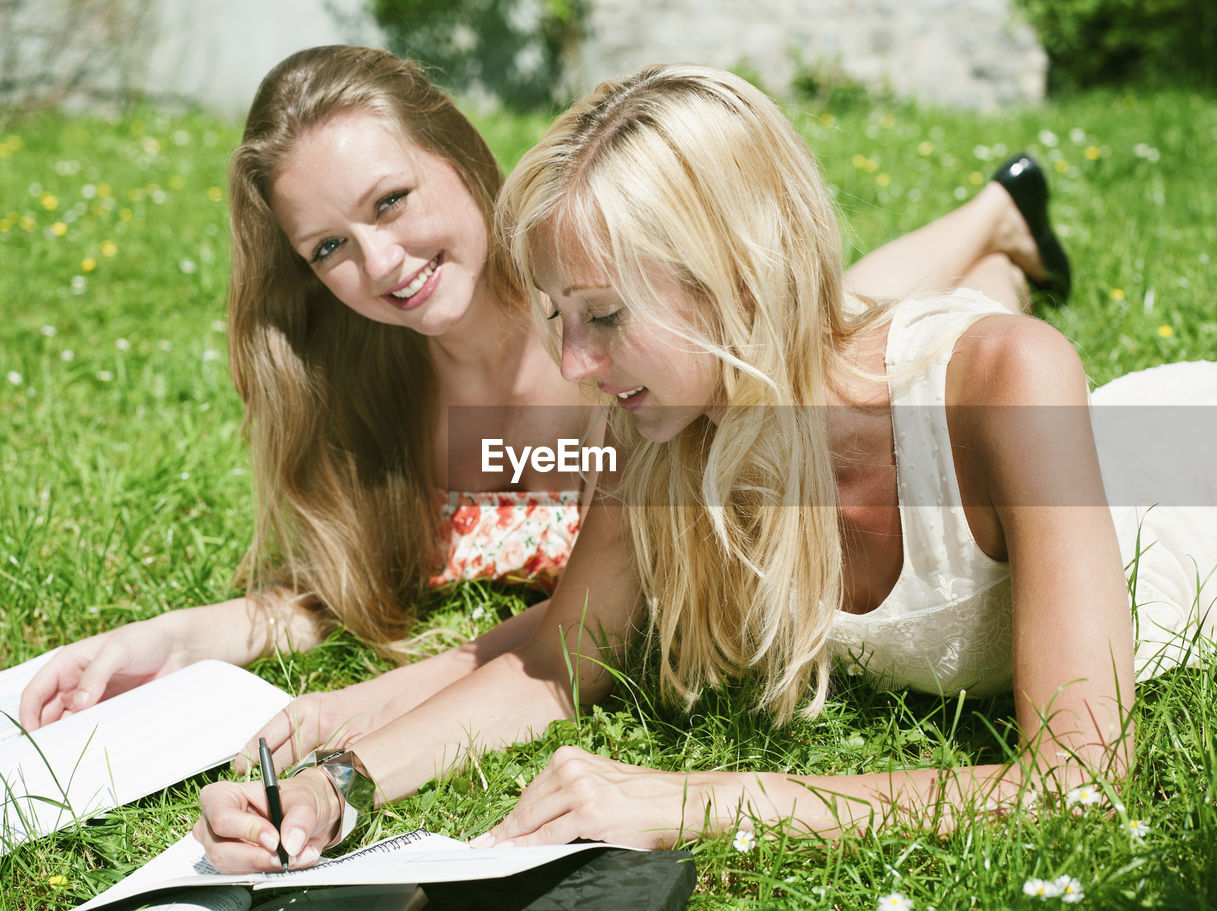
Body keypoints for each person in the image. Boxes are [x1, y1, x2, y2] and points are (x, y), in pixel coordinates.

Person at [190, 62, 1217, 871]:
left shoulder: (1005, 378)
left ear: (729, 275)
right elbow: (564, 656)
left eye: (604, 315)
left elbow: (1078, 780)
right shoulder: (662, 416)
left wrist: (692, 797)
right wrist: (342, 782)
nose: (572, 360)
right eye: (563, 317)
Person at [16, 47, 1069, 772]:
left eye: (391, 202)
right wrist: (174, 639)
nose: (379, 264)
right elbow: (357, 586)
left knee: (872, 311)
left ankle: (994, 221)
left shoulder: (602, 306)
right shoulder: (381, 392)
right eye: (328, 247)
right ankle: (998, 236)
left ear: (461, 159)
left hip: (810, 369)